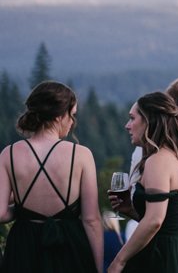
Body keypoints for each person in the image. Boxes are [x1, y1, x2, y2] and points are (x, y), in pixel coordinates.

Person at [0, 81, 103, 273]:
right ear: (58, 116)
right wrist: (97, 267)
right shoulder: (81, 155)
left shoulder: (9, 153)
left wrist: (22, 211)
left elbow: (0, 212)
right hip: (69, 247)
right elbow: (92, 220)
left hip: (23, 248)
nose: (72, 122)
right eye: (71, 115)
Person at [108, 92, 178, 273]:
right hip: (177, 252)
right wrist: (130, 210)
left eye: (132, 118)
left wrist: (119, 261)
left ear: (149, 121)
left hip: (160, 257)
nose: (127, 126)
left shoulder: (158, 160)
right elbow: (165, 221)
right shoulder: (175, 157)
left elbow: (155, 221)